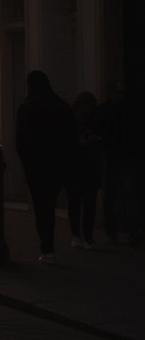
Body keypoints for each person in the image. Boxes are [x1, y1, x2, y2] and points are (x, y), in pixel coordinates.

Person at [16, 70, 77, 264]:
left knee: (42, 206)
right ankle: (63, 241)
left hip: (37, 165)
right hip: (59, 163)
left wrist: (25, 164)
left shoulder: (27, 107)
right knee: (50, 203)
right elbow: (71, 137)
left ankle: (47, 247)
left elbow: (22, 141)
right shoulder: (63, 107)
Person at [95, 82, 139, 245]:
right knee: (112, 196)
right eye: (119, 92)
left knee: (127, 195)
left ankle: (130, 231)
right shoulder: (105, 111)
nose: (122, 96)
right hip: (112, 157)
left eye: (123, 92)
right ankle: (114, 231)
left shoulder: (127, 111)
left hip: (124, 157)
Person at [67, 92, 103, 249]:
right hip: (75, 166)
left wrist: (93, 142)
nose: (87, 110)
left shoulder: (94, 121)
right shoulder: (71, 122)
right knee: (75, 203)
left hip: (89, 166)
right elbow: (65, 142)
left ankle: (87, 236)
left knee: (89, 203)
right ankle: (76, 235)